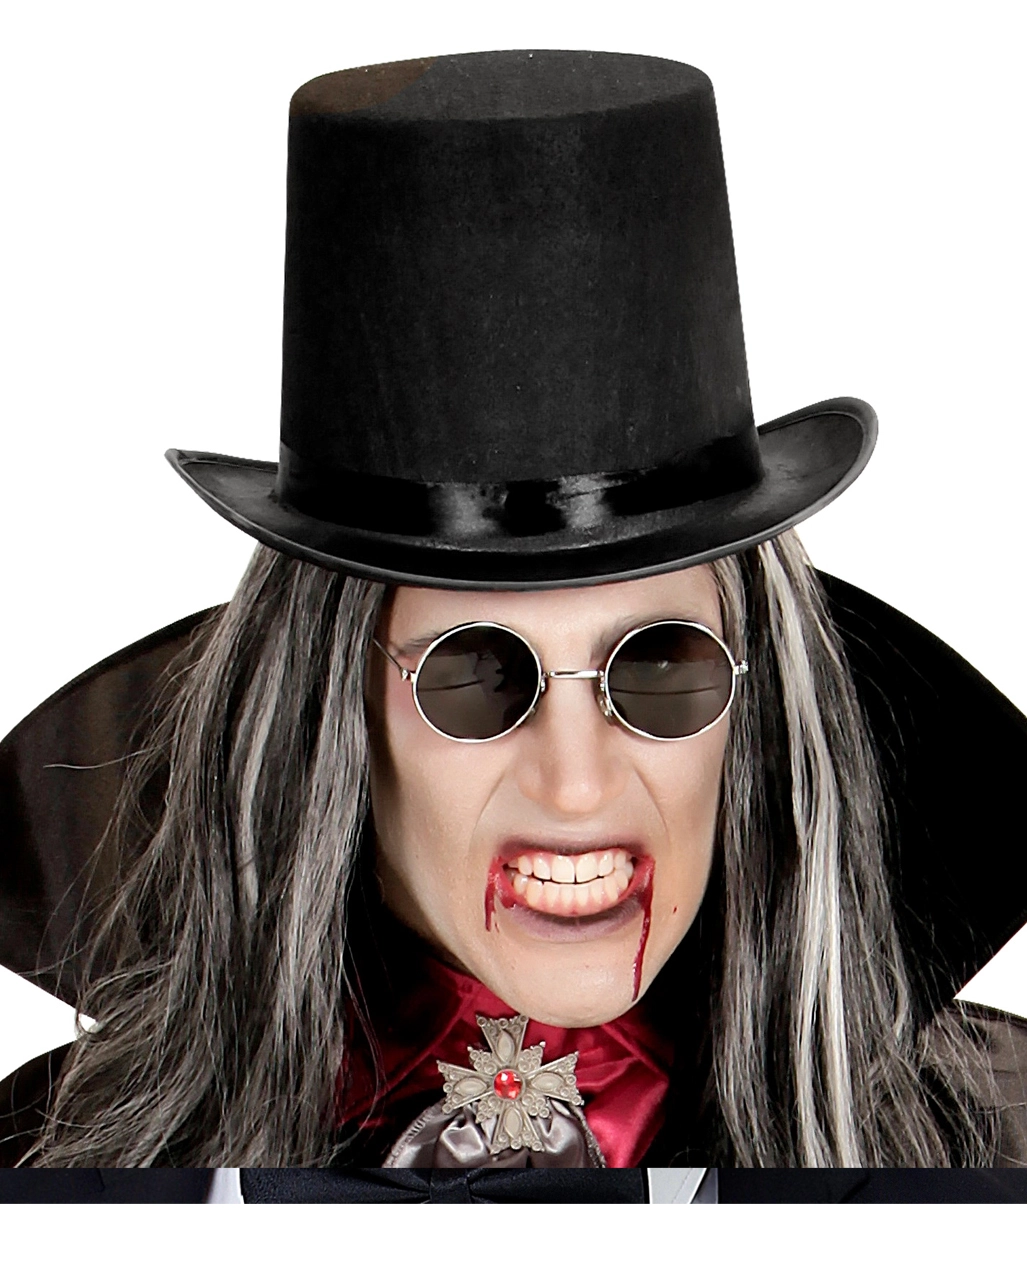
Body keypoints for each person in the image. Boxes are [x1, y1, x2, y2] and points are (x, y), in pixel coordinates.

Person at [1, 50, 1026, 1196]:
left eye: (662, 667)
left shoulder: (991, 1150)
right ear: (334, 718)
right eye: (476, 675)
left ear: (759, 705)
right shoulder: (56, 1176)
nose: (577, 786)